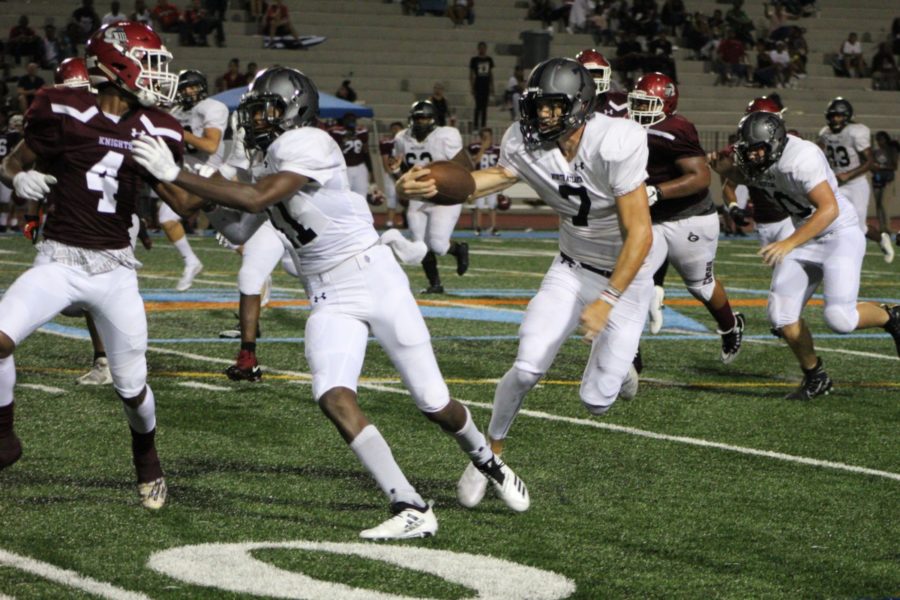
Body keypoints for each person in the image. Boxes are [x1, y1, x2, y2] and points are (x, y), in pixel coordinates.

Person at [131, 66, 529, 539]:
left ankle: (488, 461)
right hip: (326, 292)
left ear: (295, 110)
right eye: (254, 111)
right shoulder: (260, 159)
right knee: (333, 395)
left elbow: (260, 199)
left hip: (373, 277)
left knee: (434, 402)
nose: (258, 119)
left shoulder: (308, 143)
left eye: (268, 109)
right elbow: (234, 224)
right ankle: (411, 505)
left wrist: (180, 173)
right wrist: (154, 173)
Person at [400, 58, 657, 509]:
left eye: (553, 108)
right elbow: (489, 179)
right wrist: (434, 186)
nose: (542, 117)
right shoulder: (525, 142)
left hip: (626, 278)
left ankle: (621, 368)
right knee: (527, 366)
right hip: (571, 266)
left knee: (597, 402)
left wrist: (608, 301)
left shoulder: (617, 141)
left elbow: (641, 233)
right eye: (537, 107)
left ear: (578, 106)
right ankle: (489, 455)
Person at [0, 21, 191, 509]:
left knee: (131, 387)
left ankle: (146, 457)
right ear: (115, 63)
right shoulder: (63, 106)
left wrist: (166, 173)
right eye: (149, 62)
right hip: (60, 259)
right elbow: (13, 163)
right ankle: (4, 439)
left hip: (114, 271)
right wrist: (19, 181)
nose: (157, 75)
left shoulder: (158, 126)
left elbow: (185, 203)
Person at [709, 111, 900, 399]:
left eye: (756, 149)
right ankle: (816, 375)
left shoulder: (801, 159)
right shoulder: (760, 160)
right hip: (807, 235)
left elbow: (829, 209)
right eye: (747, 150)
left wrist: (788, 243)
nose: (751, 156)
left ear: (774, 143)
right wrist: (720, 167)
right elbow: (738, 175)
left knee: (840, 319)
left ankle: (891, 316)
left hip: (839, 234)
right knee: (782, 317)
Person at [627, 73, 744, 358]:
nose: (639, 110)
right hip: (652, 219)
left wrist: (657, 192)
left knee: (701, 287)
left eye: (647, 104)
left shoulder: (676, 129)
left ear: (666, 104)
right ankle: (628, 352)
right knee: (630, 281)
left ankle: (730, 326)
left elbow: (701, 176)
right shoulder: (629, 127)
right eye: (637, 103)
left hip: (689, 217)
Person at [392, 100, 470, 294]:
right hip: (419, 196)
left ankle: (458, 249)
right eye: (417, 118)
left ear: (433, 119)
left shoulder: (446, 136)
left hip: (443, 195)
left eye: (425, 117)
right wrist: (398, 172)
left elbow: (464, 166)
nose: (420, 122)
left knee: (438, 245)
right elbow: (403, 167)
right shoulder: (402, 138)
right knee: (420, 245)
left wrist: (458, 187)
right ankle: (435, 284)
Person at [816, 98, 892, 261]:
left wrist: (848, 175)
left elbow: (869, 161)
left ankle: (881, 238)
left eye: (839, 116)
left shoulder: (855, 131)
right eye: (833, 116)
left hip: (856, 184)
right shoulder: (825, 133)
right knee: (829, 217)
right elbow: (818, 152)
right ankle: (835, 253)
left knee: (859, 226)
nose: (835, 119)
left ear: (847, 116)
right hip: (837, 184)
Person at [328, 112, 373, 199]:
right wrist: (343, 141)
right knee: (344, 195)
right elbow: (333, 151)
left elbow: (366, 151)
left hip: (360, 167)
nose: (351, 121)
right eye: (349, 119)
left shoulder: (361, 132)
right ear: (343, 121)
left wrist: (371, 171)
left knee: (362, 195)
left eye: (353, 119)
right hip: (344, 168)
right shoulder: (336, 132)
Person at [468, 127, 501, 236]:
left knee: (492, 205)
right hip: (480, 179)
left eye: (488, 137)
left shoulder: (497, 148)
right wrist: (483, 148)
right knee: (479, 205)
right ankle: (478, 227)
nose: (486, 139)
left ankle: (494, 227)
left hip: (492, 180)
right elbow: (475, 161)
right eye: (484, 137)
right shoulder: (476, 147)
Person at [871, 131, 897, 260]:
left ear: (885, 140)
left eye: (881, 139)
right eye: (877, 140)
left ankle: (887, 228)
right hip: (877, 180)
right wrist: (874, 168)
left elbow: (894, 165)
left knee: (884, 205)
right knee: (878, 206)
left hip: (887, 180)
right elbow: (871, 165)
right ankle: (881, 228)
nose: (879, 142)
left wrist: (880, 166)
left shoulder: (890, 151)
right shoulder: (876, 152)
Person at [378, 120, 404, 229]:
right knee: (391, 196)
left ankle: (406, 219)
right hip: (391, 172)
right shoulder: (386, 142)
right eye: (393, 128)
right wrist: (391, 172)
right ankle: (390, 221)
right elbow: (385, 159)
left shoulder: (406, 141)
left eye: (398, 128)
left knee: (407, 196)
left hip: (404, 173)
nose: (396, 131)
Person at [469, 42, 494, 129]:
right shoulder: (474, 60)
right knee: (478, 106)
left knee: (484, 107)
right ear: (478, 49)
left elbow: (490, 74)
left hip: (486, 85)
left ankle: (483, 125)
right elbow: (471, 74)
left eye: (484, 48)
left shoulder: (489, 59)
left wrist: (492, 86)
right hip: (477, 85)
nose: (482, 49)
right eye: (481, 48)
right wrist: (472, 87)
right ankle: (476, 126)